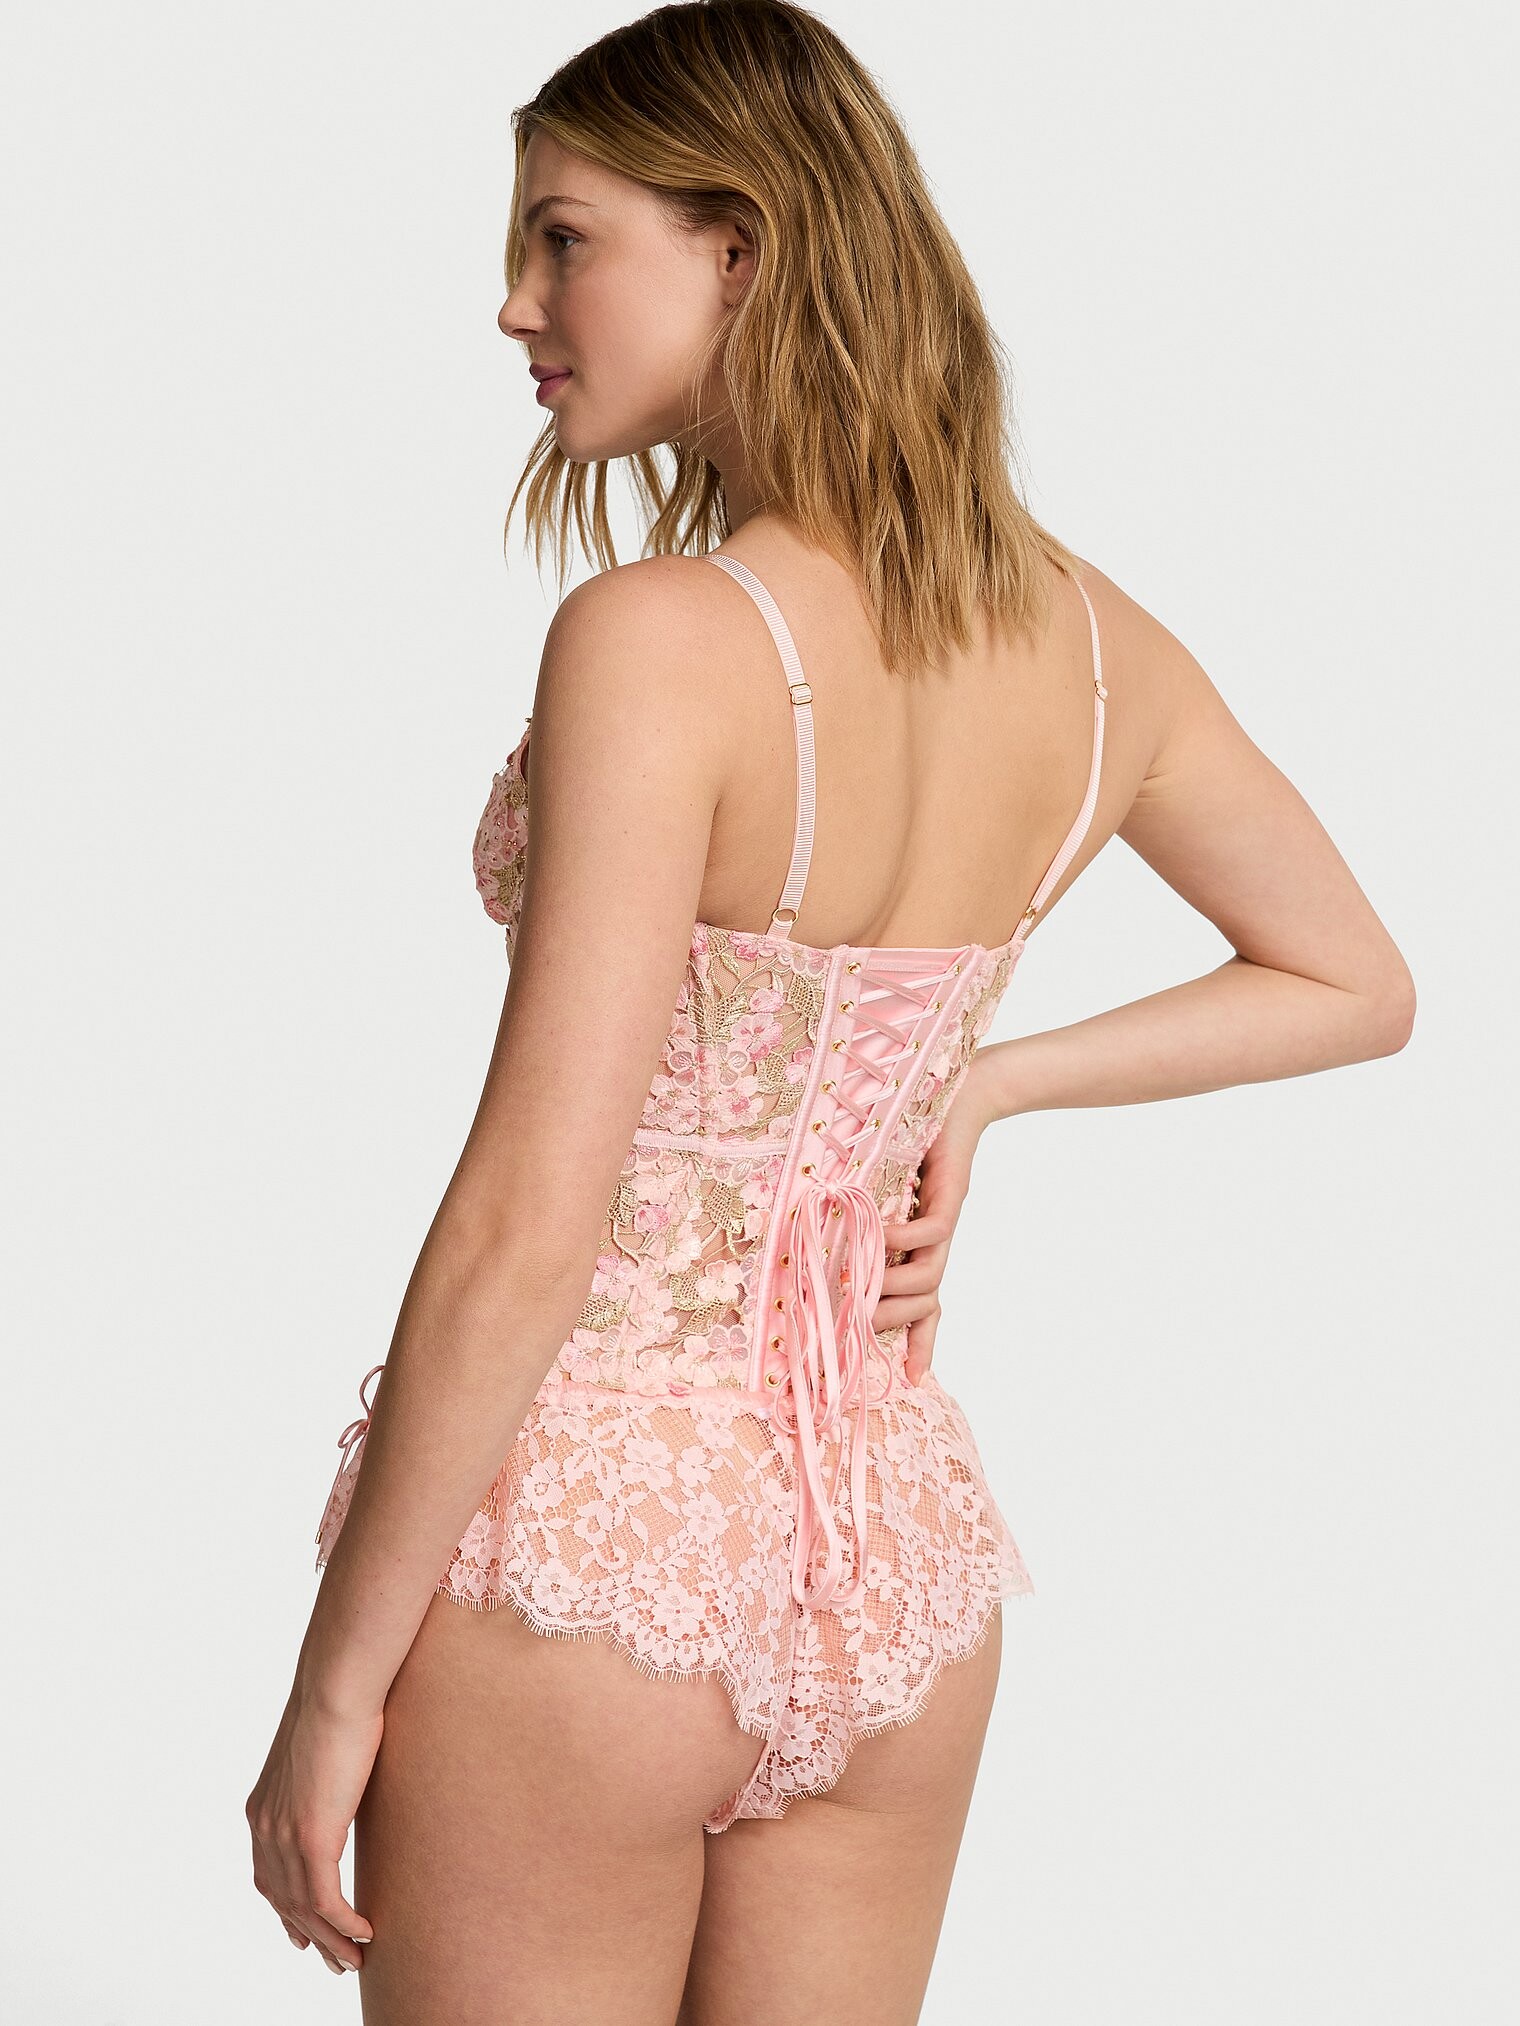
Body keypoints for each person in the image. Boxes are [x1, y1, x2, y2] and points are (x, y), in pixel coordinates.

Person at [245, 4, 1416, 2019]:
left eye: (562, 239)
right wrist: (987, 1075)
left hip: (592, 1563)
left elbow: (531, 1223)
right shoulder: (1090, 642)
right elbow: (1352, 976)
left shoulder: (660, 641)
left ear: (742, 248)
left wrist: (333, 1684)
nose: (515, 302)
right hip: (888, 1566)